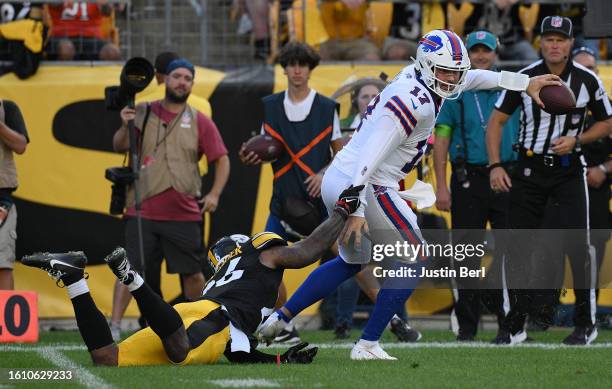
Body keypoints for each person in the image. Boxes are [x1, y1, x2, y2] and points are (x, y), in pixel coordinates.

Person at [258, 29, 560, 360]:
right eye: (445, 71)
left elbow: (469, 77)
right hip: (365, 181)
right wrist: (356, 207)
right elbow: (371, 155)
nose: (451, 79)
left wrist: (521, 83)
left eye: (454, 71)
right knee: (415, 256)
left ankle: (280, 319)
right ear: (429, 66)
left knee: (351, 261)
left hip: (343, 177)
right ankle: (368, 343)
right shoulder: (414, 102)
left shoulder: (420, 76)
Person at [20, 184, 364, 366]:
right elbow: (309, 251)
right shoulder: (264, 254)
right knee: (181, 351)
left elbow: (240, 353)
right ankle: (131, 277)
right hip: (214, 318)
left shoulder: (227, 275)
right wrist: (340, 212)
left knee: (107, 358)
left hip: (190, 311)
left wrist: (279, 360)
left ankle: (74, 280)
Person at [487, 16, 612, 345]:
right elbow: (496, 122)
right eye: (549, 38)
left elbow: (607, 122)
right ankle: (513, 325)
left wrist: (578, 140)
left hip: (569, 170)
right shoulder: (524, 77)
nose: (555, 44)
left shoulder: (586, 80)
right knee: (517, 246)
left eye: (561, 39)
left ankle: (586, 323)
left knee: (577, 247)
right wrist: (495, 165)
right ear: (540, 41)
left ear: (571, 43)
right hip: (527, 170)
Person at [110, 59, 230, 340]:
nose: (182, 82)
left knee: (193, 274)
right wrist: (123, 124)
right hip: (142, 208)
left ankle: (200, 322)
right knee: (130, 270)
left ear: (192, 84)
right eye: (177, 76)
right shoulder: (143, 111)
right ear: (166, 80)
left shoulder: (200, 119)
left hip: (184, 212)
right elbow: (119, 145)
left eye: (188, 78)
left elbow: (222, 159)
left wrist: (214, 194)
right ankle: (114, 326)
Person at [239, 41, 343, 344]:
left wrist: (323, 174)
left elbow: (342, 155)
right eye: (292, 64)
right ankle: (281, 322)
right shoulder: (270, 106)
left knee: (351, 260)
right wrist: (250, 156)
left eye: (303, 64)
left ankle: (393, 318)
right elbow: (262, 148)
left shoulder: (326, 107)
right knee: (266, 262)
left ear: (310, 69)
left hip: (320, 203)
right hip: (284, 203)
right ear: (284, 68)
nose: (297, 70)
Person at [433, 30, 519, 343]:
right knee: (466, 255)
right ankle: (466, 329)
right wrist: (441, 186)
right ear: (467, 55)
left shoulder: (509, 85)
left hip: (507, 176)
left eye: (486, 50)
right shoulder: (456, 90)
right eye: (475, 51)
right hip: (468, 180)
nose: (481, 56)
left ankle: (508, 327)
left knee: (509, 253)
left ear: (495, 53)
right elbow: (441, 139)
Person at [0, 99, 28, 290]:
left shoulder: (7, 108)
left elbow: (21, 146)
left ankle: (4, 319)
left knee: (2, 264)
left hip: (1, 200)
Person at [46, 1, 121, 61]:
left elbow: (107, 12)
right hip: (62, 36)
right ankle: (63, 79)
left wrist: (105, 4)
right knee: (66, 50)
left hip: (92, 38)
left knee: (112, 53)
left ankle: (102, 79)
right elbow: (52, 3)